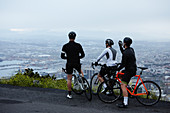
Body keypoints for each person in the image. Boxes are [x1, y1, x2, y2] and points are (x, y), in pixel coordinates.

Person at [61, 31, 85, 99]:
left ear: (68, 37)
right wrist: (78, 57)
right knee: (80, 71)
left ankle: (69, 94)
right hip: (77, 62)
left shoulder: (65, 46)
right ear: (75, 37)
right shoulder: (78, 45)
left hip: (69, 63)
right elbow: (83, 55)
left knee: (69, 79)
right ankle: (84, 82)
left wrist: (68, 57)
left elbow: (62, 56)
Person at [116, 37, 137, 108]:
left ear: (124, 43)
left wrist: (116, 69)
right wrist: (120, 47)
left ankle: (125, 103)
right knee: (120, 75)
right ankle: (127, 89)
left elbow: (123, 64)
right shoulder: (131, 50)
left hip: (129, 71)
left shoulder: (126, 52)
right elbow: (124, 53)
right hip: (133, 69)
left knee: (122, 85)